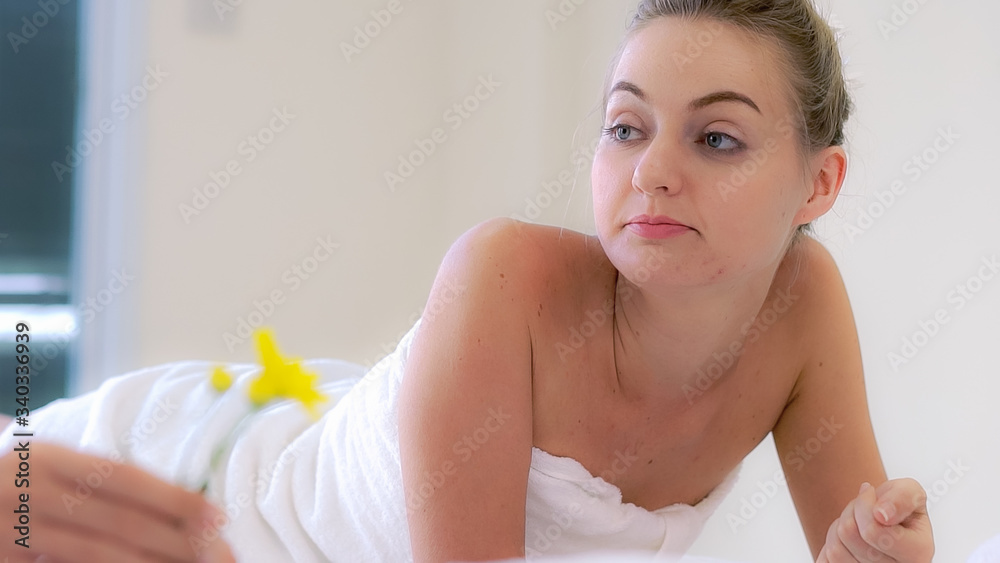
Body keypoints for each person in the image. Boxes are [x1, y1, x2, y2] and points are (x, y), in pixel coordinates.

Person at [0, 1, 935, 562]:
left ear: (820, 183)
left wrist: (878, 543)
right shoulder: (508, 277)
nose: (652, 169)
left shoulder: (802, 306)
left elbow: (859, 548)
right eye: (625, 126)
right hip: (228, 498)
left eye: (716, 137)